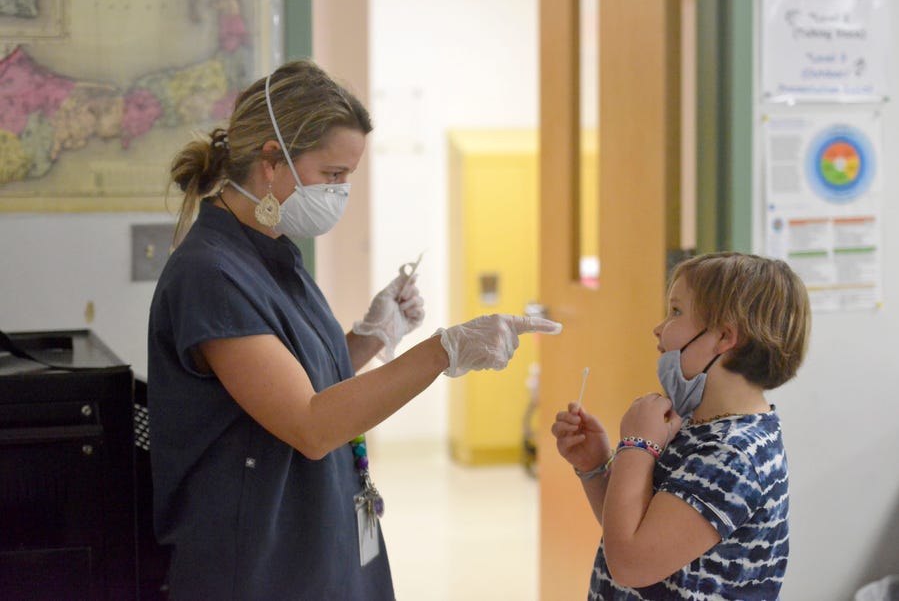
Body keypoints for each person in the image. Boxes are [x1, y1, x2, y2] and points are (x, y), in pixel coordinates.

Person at [147, 59, 561, 600]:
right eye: (333, 175)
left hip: (312, 531)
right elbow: (310, 423)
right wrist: (444, 349)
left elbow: (291, 382)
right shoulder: (210, 274)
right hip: (253, 560)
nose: (341, 192)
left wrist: (372, 336)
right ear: (271, 160)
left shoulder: (272, 253)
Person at [552, 252, 810, 599]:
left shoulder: (734, 456)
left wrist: (636, 446)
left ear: (724, 337)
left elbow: (629, 563)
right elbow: (636, 532)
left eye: (675, 312)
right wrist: (596, 467)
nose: (658, 328)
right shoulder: (697, 424)